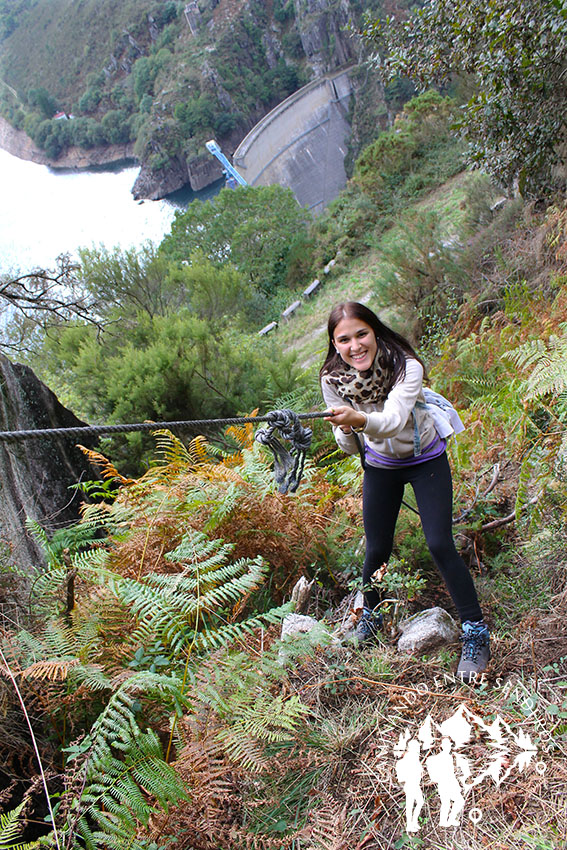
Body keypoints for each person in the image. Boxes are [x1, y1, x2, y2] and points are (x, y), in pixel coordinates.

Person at [320, 301, 490, 682]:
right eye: (343, 339)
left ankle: (476, 633)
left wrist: (358, 419)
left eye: (361, 334)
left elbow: (394, 420)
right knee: (377, 548)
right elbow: (349, 446)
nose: (355, 346)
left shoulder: (406, 366)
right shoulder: (332, 381)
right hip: (381, 466)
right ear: (335, 345)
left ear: (375, 332)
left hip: (425, 457)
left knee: (440, 543)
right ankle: (371, 620)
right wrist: (345, 430)